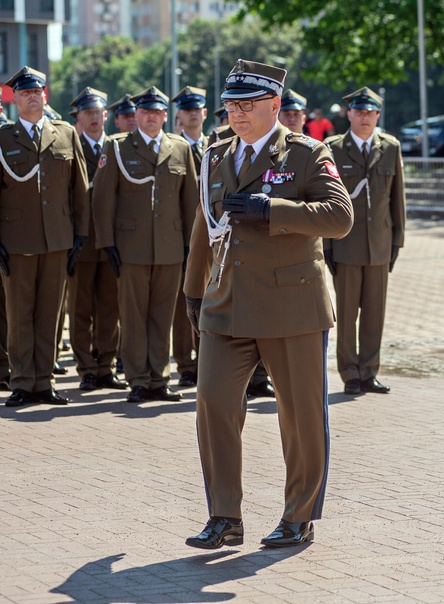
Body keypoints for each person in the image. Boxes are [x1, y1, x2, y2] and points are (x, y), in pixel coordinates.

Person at [183, 59, 352, 549]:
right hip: (227, 302)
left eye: (248, 104)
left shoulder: (305, 153)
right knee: (213, 403)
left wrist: (271, 209)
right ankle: (224, 516)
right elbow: (204, 227)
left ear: (274, 105)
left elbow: (339, 216)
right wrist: (194, 293)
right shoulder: (215, 155)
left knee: (299, 416)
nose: (236, 112)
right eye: (231, 104)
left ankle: (298, 516)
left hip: (290, 305)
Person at [92, 86, 198, 404]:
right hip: (131, 246)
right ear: (136, 115)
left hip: (170, 246)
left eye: (157, 112)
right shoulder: (118, 147)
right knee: (134, 316)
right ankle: (138, 379)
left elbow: (190, 198)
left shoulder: (179, 148)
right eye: (145, 112)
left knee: (162, 315)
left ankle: (159, 378)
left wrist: (190, 244)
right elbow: (102, 198)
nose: (151, 117)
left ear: (166, 116)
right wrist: (107, 243)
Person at [1, 67, 89, 407]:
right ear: (15, 99)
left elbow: (78, 188)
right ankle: (22, 381)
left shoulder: (65, 134)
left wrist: (80, 233)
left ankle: (44, 381)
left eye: (37, 92)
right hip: (17, 239)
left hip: (58, 238)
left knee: (51, 314)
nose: (32, 97)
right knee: (20, 313)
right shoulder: (4, 138)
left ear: (45, 96)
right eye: (25, 93)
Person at [323, 87, 405, 395]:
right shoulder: (333, 148)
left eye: (370, 113)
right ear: (349, 114)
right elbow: (327, 200)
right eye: (359, 112)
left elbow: (398, 199)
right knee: (347, 314)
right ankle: (350, 373)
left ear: (377, 116)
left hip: (380, 244)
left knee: (375, 312)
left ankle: (369, 371)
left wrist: (397, 241)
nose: (365, 118)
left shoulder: (390, 147)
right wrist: (327, 246)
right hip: (345, 244)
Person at [67, 87, 127, 392]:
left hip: (111, 243)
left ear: (106, 116)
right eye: (87, 113)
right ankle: (86, 369)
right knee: (80, 310)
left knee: (109, 308)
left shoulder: (116, 148)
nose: (93, 118)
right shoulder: (71, 145)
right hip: (82, 241)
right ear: (78, 118)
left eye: (97, 112)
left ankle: (106, 367)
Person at [169, 86, 208, 388]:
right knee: (185, 303)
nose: (193, 113)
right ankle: (185, 363)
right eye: (187, 109)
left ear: (204, 113)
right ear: (178, 116)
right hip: (181, 236)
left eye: (197, 109)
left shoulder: (218, 146)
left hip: (213, 237)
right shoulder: (172, 146)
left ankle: (207, 359)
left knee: (211, 300)